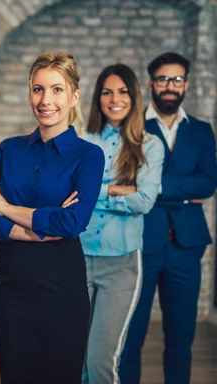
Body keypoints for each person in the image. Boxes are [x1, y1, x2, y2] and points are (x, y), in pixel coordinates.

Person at [0, 53, 104, 383]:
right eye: (38, 89)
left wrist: (6, 208)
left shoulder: (89, 156)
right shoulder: (8, 149)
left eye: (57, 90)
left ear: (74, 96)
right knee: (15, 375)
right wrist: (37, 228)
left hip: (62, 287)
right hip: (11, 286)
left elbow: (72, 222)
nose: (45, 100)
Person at [120, 53, 217, 384]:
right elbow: (125, 183)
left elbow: (208, 182)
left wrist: (154, 187)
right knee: (130, 336)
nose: (170, 86)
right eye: (163, 79)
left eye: (177, 80)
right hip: (141, 242)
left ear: (186, 84)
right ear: (151, 84)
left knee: (181, 338)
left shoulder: (202, 132)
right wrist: (181, 192)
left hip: (186, 246)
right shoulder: (132, 127)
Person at [80, 64, 164, 384]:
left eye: (123, 91)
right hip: (77, 259)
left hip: (122, 264)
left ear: (134, 96)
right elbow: (71, 197)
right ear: (98, 98)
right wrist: (117, 190)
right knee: (74, 358)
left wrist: (95, 193)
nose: (114, 99)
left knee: (102, 362)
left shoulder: (150, 145)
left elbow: (144, 201)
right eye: (106, 92)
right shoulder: (83, 141)